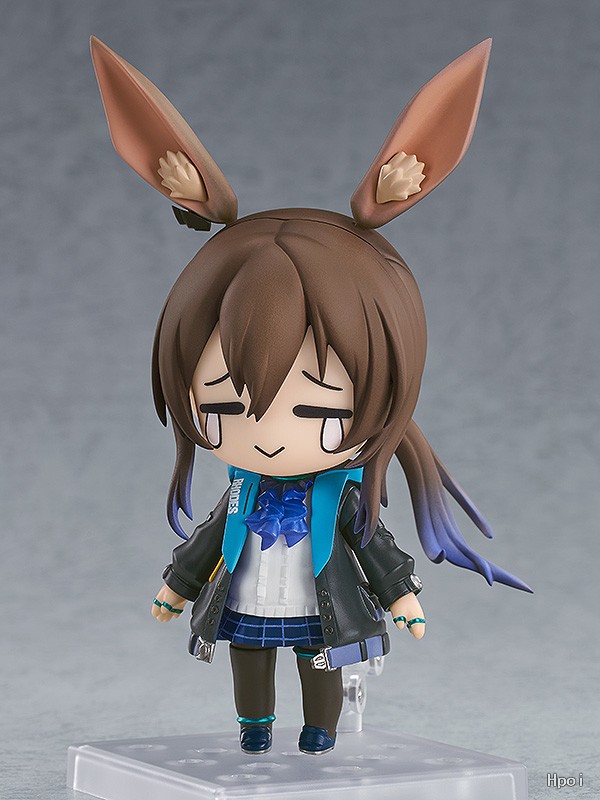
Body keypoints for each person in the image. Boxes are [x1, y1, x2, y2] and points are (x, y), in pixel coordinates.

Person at [91, 36, 531, 756]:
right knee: (249, 661)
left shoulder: (338, 495)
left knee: (319, 662)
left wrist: (402, 595)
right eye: (226, 408)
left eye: (318, 410)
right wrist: (177, 586)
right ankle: (255, 727)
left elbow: (374, 543)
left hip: (324, 608)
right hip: (246, 598)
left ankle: (320, 729)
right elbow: (207, 541)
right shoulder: (241, 491)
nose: (266, 433)